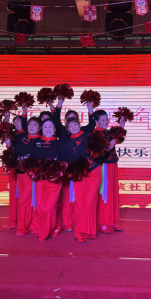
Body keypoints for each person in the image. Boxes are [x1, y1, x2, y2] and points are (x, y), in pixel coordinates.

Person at [53, 97, 96, 232]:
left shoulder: (83, 132)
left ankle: (80, 222)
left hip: (83, 169)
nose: (72, 123)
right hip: (67, 166)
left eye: (74, 119)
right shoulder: (62, 131)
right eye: (68, 120)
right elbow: (55, 120)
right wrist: (59, 105)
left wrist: (90, 110)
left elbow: (92, 125)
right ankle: (67, 223)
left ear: (78, 121)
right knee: (67, 196)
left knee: (81, 197)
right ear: (66, 123)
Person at [29, 119, 68, 242]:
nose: (47, 129)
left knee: (48, 208)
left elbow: (64, 160)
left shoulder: (59, 143)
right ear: (41, 129)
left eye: (50, 126)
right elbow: (31, 160)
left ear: (54, 130)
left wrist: (56, 170)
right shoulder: (36, 143)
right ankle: (52, 227)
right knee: (40, 208)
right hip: (39, 181)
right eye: (45, 126)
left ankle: (44, 233)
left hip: (54, 181)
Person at [64, 118, 103, 243]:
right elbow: (69, 162)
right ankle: (81, 232)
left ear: (79, 125)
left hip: (94, 172)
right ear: (67, 129)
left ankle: (81, 231)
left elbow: (100, 151)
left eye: (75, 124)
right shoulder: (67, 144)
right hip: (79, 175)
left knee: (88, 202)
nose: (73, 127)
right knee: (79, 204)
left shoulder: (88, 135)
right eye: (70, 125)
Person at [6, 112, 43, 236]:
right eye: (30, 124)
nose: (32, 127)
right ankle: (29, 226)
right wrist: (9, 145)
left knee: (24, 201)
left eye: (35, 125)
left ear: (39, 128)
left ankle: (24, 227)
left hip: (31, 176)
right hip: (19, 174)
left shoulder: (40, 140)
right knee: (24, 201)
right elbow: (15, 153)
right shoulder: (22, 139)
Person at [95, 110, 126, 234]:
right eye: (102, 120)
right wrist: (108, 148)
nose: (105, 121)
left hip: (113, 165)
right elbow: (97, 153)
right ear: (96, 121)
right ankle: (104, 223)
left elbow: (119, 139)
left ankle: (114, 222)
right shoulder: (95, 135)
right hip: (104, 166)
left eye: (106, 119)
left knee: (112, 193)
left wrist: (122, 127)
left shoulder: (108, 132)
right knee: (105, 194)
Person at [2, 104, 27, 230]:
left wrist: (25, 110)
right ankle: (13, 221)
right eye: (15, 121)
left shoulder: (28, 134)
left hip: (26, 169)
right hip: (14, 169)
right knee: (14, 196)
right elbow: (4, 132)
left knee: (25, 196)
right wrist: (6, 118)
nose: (16, 122)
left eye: (19, 120)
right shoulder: (12, 135)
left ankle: (25, 221)